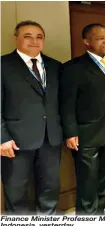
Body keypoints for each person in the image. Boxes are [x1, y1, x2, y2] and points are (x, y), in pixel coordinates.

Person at [1, 20, 63, 215]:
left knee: (50, 187)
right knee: (16, 191)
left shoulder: (56, 66)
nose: (34, 41)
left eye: (39, 37)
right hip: (16, 141)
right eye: (28, 36)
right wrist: (2, 138)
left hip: (51, 138)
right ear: (16, 38)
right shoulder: (3, 65)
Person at [59, 23, 105, 215]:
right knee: (87, 179)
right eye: (100, 37)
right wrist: (70, 132)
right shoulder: (73, 68)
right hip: (85, 133)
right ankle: (86, 214)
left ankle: (101, 209)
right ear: (86, 42)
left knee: (104, 175)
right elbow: (66, 103)